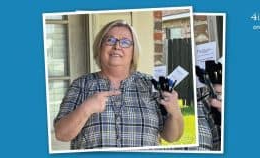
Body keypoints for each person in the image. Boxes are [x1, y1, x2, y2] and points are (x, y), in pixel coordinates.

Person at [53, 19, 184, 149]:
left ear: (133, 52)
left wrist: (175, 112)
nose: (117, 46)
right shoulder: (81, 85)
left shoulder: (151, 85)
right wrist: (86, 109)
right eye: (110, 40)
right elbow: (61, 134)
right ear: (100, 47)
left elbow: (172, 137)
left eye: (125, 42)